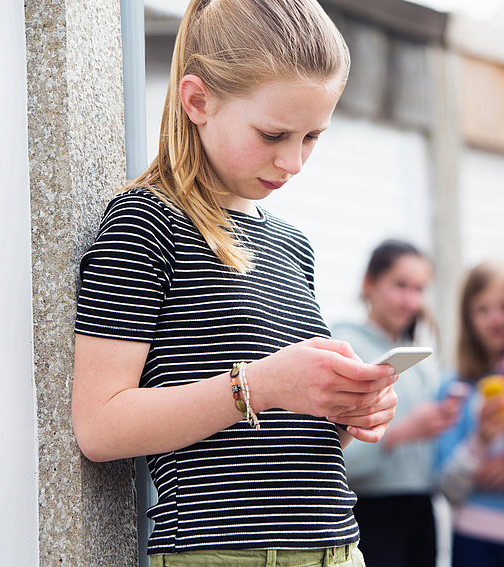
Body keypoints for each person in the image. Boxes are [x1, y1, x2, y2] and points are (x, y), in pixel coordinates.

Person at [71, 1, 400, 565]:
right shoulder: (144, 225)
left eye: (312, 137)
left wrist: (342, 409)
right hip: (223, 554)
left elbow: (264, 442)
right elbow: (99, 426)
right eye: (273, 134)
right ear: (197, 101)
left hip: (339, 548)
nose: (294, 162)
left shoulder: (292, 244)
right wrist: (260, 386)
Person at [332, 239, 462, 567]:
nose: (410, 300)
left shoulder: (418, 359)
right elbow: (331, 453)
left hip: (421, 511)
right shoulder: (344, 348)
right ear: (369, 284)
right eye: (400, 285)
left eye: (419, 289)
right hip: (370, 512)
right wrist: (401, 433)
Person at [435, 262, 504, 567]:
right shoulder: (453, 387)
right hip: (473, 539)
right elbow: (447, 488)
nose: (496, 319)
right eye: (482, 309)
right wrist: (480, 439)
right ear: (468, 317)